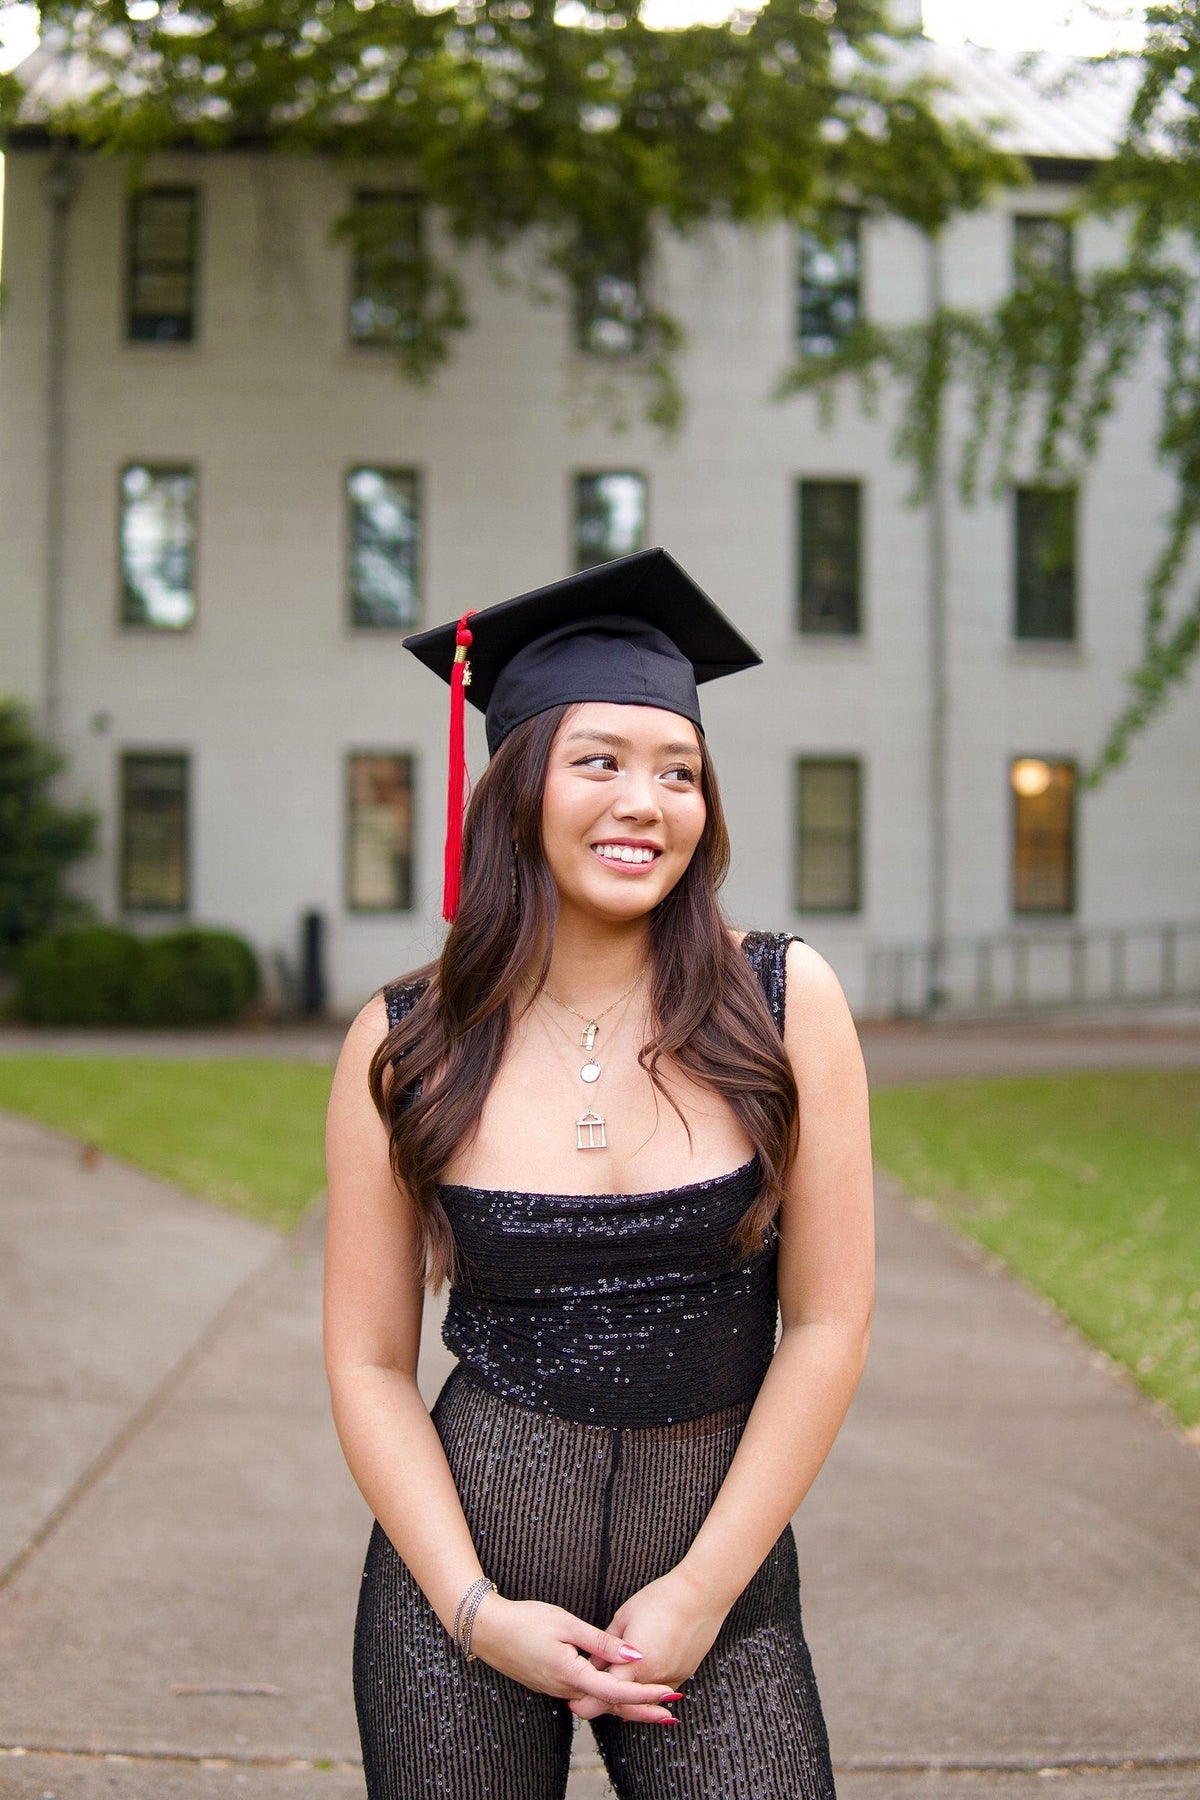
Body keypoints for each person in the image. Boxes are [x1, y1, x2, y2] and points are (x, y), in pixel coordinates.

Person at [323, 547, 875, 1800]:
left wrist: (698, 1591)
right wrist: (472, 1609)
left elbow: (829, 1322)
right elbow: (366, 1362)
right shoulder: (405, 1042)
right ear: (517, 789)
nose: (647, 802)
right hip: (458, 1608)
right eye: (600, 763)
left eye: (678, 771)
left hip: (714, 1602)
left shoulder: (785, 1004)